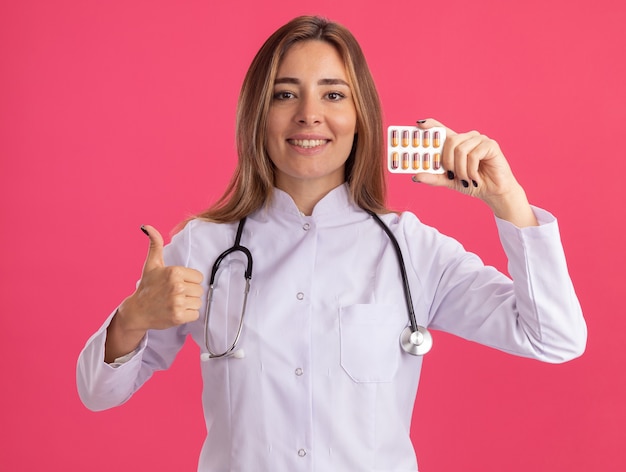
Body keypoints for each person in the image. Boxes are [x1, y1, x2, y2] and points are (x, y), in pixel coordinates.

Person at [77, 15, 587, 471]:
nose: (309, 115)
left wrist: (509, 202)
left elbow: (555, 338)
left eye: (333, 94)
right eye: (285, 93)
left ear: (361, 114)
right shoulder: (203, 248)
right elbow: (98, 393)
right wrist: (133, 317)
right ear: (258, 113)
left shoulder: (413, 250)